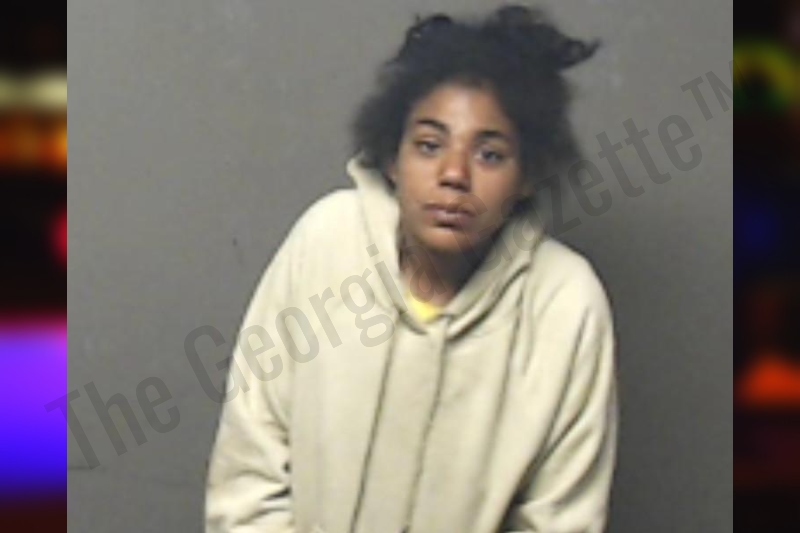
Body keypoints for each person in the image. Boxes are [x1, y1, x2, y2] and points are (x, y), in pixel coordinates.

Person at [206, 5, 618, 533]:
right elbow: (247, 474)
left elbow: (563, 519)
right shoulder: (325, 243)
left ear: (528, 176)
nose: (454, 174)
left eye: (490, 155)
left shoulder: (567, 303)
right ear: (392, 158)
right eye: (428, 145)